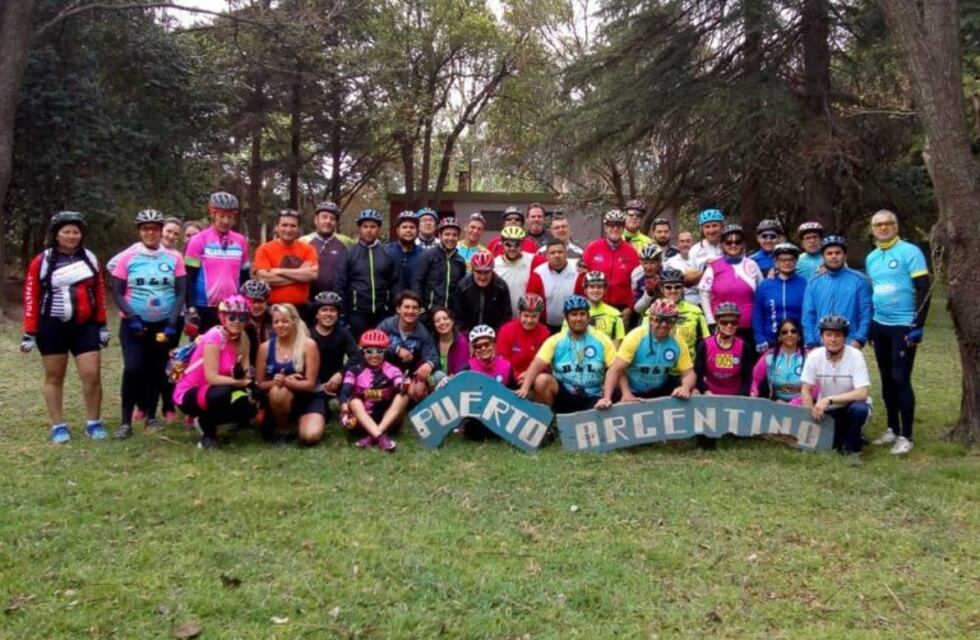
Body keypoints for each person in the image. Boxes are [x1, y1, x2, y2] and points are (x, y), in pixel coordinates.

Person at [22, 211, 109, 443]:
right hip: (52, 326)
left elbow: (99, 292)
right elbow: (31, 295)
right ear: (56, 235)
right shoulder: (43, 261)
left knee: (92, 375)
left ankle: (93, 422)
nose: (72, 236)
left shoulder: (89, 257)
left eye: (76, 232)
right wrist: (29, 331)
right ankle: (58, 425)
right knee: (54, 377)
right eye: (66, 232)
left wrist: (102, 325)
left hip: (85, 326)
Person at [111, 209, 187, 439]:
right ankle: (125, 422)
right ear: (140, 231)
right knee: (133, 369)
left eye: (154, 229)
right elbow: (116, 292)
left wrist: (172, 322)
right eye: (146, 229)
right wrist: (131, 316)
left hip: (163, 324)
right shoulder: (128, 257)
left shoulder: (174, 258)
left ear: (160, 230)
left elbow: (181, 292)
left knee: (157, 370)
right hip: (134, 325)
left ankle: (152, 416)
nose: (150, 233)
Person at [866, 209, 931, 455]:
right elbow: (876, 292)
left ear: (896, 226)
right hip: (880, 325)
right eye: (878, 225)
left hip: (904, 326)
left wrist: (918, 325)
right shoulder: (872, 258)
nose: (883, 228)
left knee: (900, 378)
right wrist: (872, 326)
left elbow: (924, 289)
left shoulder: (910, 252)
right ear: (873, 229)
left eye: (888, 223)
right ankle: (892, 428)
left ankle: (907, 435)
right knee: (884, 378)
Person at [172, 295, 257, 449]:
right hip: (190, 392)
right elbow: (212, 378)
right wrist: (242, 382)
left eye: (242, 317)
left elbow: (245, 373)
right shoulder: (215, 336)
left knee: (249, 409)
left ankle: (206, 419)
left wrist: (245, 380)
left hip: (218, 388)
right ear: (223, 317)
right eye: (232, 317)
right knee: (222, 393)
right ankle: (208, 433)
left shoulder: (244, 338)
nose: (237, 322)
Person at [516, 295, 617, 413]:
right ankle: (550, 421)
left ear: (588, 317)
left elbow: (615, 368)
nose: (578, 318)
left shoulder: (602, 340)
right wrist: (525, 388)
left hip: (594, 396)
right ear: (566, 318)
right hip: (565, 395)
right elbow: (537, 363)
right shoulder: (555, 340)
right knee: (541, 380)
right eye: (574, 314)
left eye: (582, 314)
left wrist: (607, 397)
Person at [596, 299, 696, 409]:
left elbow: (689, 374)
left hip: (658, 389)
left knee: (694, 392)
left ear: (675, 321)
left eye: (669, 320)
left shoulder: (678, 342)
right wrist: (609, 397)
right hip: (631, 389)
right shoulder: (636, 337)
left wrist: (685, 387)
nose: (663, 324)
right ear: (650, 320)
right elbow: (615, 370)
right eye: (659, 319)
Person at [801, 315, 871, 457]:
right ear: (822, 337)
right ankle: (844, 437)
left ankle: (854, 450)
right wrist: (810, 412)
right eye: (828, 335)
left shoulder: (856, 356)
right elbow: (805, 389)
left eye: (838, 335)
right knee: (832, 446)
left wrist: (829, 399)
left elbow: (862, 392)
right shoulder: (814, 356)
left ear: (844, 337)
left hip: (850, 406)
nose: (833, 339)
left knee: (860, 409)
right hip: (827, 411)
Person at [184, 192, 250, 333]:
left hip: (232, 307)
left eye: (230, 216)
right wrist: (191, 308)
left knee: (231, 352)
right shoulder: (198, 240)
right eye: (221, 216)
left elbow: (245, 277)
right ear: (212, 214)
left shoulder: (241, 241)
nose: (226, 221)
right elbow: (189, 279)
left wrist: (246, 303)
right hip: (204, 307)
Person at [255, 303, 320, 445]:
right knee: (278, 391)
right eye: (276, 321)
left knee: (310, 437)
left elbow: (310, 385)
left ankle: (300, 422)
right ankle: (282, 430)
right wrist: (278, 382)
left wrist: (286, 382)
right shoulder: (265, 348)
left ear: (294, 322)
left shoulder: (309, 345)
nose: (280, 325)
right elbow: (259, 384)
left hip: (307, 397)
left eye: (285, 321)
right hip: (278, 397)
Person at [339, 329, 410, 452]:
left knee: (403, 396)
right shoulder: (354, 370)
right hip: (360, 422)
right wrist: (344, 408)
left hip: (388, 420)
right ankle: (380, 437)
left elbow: (399, 383)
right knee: (354, 401)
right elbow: (345, 390)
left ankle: (373, 437)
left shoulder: (392, 369)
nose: (374, 355)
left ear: (385, 352)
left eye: (380, 351)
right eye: (369, 351)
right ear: (363, 352)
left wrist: (404, 385)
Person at [699, 224, 762, 354]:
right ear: (722, 244)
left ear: (743, 244)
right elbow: (704, 293)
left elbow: (761, 292)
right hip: (722, 326)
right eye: (729, 242)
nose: (733, 245)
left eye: (737, 242)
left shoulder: (752, 265)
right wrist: (711, 321)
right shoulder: (714, 266)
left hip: (749, 327)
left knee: (747, 366)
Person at [801, 235, 873, 349]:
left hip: (850, 343)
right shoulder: (813, 283)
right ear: (823, 257)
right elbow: (808, 315)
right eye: (829, 253)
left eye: (837, 253)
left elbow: (866, 313)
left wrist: (859, 339)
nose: (833, 256)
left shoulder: (860, 280)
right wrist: (811, 343)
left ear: (845, 256)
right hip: (820, 344)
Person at [341, 209, 400, 338]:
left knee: (380, 347)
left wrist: (394, 308)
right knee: (360, 349)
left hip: (382, 312)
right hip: (357, 312)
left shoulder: (387, 253)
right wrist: (342, 313)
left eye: (373, 227)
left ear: (378, 229)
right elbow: (341, 283)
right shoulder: (349, 253)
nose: (369, 230)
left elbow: (395, 283)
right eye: (365, 226)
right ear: (360, 229)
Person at [253, 209, 318, 320]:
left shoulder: (308, 249)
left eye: (293, 226)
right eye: (284, 225)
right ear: (277, 227)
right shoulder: (264, 249)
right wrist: (300, 275)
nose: (288, 230)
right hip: (273, 310)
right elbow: (264, 278)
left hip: (300, 311)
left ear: (298, 229)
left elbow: (312, 275)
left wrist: (279, 271)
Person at [581, 209, 641, 325]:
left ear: (624, 227)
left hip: (621, 309)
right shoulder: (592, 248)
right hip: (595, 305)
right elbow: (582, 278)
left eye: (619, 225)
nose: (615, 228)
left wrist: (630, 308)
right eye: (611, 225)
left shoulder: (631, 252)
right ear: (605, 227)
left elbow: (636, 284)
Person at [376, 291, 438, 402]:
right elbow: (370, 346)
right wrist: (396, 349)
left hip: (408, 375)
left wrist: (428, 365)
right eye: (407, 307)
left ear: (419, 311)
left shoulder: (423, 332)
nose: (410, 311)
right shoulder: (387, 325)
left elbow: (432, 355)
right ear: (399, 309)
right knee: (375, 393)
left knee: (416, 393)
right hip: (383, 371)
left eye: (415, 308)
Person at [309, 291, 359, 424]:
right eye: (324, 310)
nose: (328, 314)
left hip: (337, 381)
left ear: (337, 315)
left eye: (332, 310)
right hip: (313, 382)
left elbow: (356, 357)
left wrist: (340, 374)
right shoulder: (308, 334)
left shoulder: (343, 333)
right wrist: (317, 385)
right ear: (317, 314)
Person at [753, 242, 807, 353]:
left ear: (796, 261)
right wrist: (760, 338)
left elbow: (810, 314)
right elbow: (757, 314)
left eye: (791, 259)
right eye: (782, 260)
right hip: (770, 342)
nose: (787, 263)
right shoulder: (765, 285)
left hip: (797, 341)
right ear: (776, 262)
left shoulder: (805, 284)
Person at [695, 302, 752, 397]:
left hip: (736, 397)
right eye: (724, 322)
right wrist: (705, 391)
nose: (729, 326)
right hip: (710, 395)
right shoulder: (705, 345)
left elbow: (748, 378)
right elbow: (697, 375)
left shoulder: (744, 347)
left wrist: (740, 397)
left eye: (734, 322)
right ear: (717, 322)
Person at [412, 217, 466, 312]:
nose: (450, 238)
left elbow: (460, 289)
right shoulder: (427, 256)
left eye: (454, 235)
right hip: (429, 312)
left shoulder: (460, 261)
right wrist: (421, 308)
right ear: (440, 235)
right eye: (447, 234)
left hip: (450, 314)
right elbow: (417, 282)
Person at [496, 293, 551, 387]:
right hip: (510, 377)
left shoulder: (545, 333)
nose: (529, 320)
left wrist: (529, 376)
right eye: (526, 316)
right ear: (519, 314)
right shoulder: (506, 330)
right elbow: (501, 360)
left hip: (534, 377)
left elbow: (546, 363)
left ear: (539, 316)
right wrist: (516, 376)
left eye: (534, 316)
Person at [451, 250, 512, 332]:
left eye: (486, 272)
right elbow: (457, 316)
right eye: (479, 272)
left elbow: (506, 316)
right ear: (473, 270)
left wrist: (496, 335)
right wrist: (465, 335)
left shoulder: (501, 287)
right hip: (467, 335)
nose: (482, 277)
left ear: (492, 270)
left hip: (493, 336)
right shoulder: (462, 287)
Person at [750, 318, 807, 403]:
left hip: (802, 405)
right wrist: (754, 394)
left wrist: (793, 404)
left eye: (793, 331)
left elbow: (814, 389)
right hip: (775, 404)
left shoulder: (808, 357)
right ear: (779, 337)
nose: (789, 334)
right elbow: (755, 379)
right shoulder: (769, 356)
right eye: (784, 332)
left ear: (799, 336)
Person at [526, 238, 578, 332]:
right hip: (545, 327)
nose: (557, 255)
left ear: (566, 254)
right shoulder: (538, 273)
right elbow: (530, 301)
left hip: (573, 326)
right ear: (546, 256)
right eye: (552, 253)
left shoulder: (577, 271)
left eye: (560, 252)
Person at [658, 268, 709, 356]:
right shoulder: (651, 312)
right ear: (661, 289)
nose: (673, 290)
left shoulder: (695, 311)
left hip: (689, 363)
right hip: (661, 363)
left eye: (677, 287)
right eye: (668, 287)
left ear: (683, 289)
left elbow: (705, 342)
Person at [305, 201, 350, 301]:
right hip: (309, 300)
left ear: (336, 222)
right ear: (316, 220)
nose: (328, 221)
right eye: (324, 217)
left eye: (332, 218)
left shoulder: (346, 242)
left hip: (338, 300)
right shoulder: (303, 242)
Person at [569, 271, 625, 345]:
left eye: (599, 287)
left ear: (604, 290)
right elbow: (567, 341)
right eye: (592, 287)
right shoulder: (573, 312)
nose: (596, 290)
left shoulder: (615, 314)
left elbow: (617, 344)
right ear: (585, 290)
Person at [493, 226, 537, 317]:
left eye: (517, 244)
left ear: (522, 245)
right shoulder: (495, 265)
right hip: (502, 315)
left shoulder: (532, 260)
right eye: (508, 244)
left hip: (526, 317)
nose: (512, 248)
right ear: (502, 244)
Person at [385, 210, 424, 296]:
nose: (408, 230)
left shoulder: (424, 255)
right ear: (397, 230)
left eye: (412, 227)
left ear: (417, 230)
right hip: (391, 305)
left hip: (415, 305)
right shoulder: (386, 252)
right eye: (404, 227)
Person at [430, 306, 470, 384]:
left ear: (452, 321)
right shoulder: (432, 340)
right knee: (438, 375)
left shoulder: (461, 341)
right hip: (435, 384)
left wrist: (449, 379)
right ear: (434, 325)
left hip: (455, 383)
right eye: (437, 321)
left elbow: (462, 370)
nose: (442, 322)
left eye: (445, 319)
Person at [240, 279, 273, 368]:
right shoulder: (237, 320)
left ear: (267, 300)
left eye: (260, 301)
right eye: (252, 301)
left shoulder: (275, 318)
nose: (256, 305)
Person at [664, 230, 700, 305]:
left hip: (700, 299)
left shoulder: (701, 260)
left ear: (693, 243)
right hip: (679, 301)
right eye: (682, 241)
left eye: (688, 241)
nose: (685, 244)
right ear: (678, 243)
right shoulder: (670, 262)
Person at [632, 244, 664, 318]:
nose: (648, 267)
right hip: (646, 314)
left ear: (659, 262)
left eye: (652, 263)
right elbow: (637, 309)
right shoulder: (636, 275)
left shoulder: (667, 271)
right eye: (645, 263)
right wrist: (649, 293)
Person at [689, 208, 726, 272]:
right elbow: (691, 278)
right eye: (707, 227)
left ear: (722, 227)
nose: (711, 230)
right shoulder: (695, 250)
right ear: (702, 229)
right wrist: (705, 268)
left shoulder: (731, 245)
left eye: (714, 226)